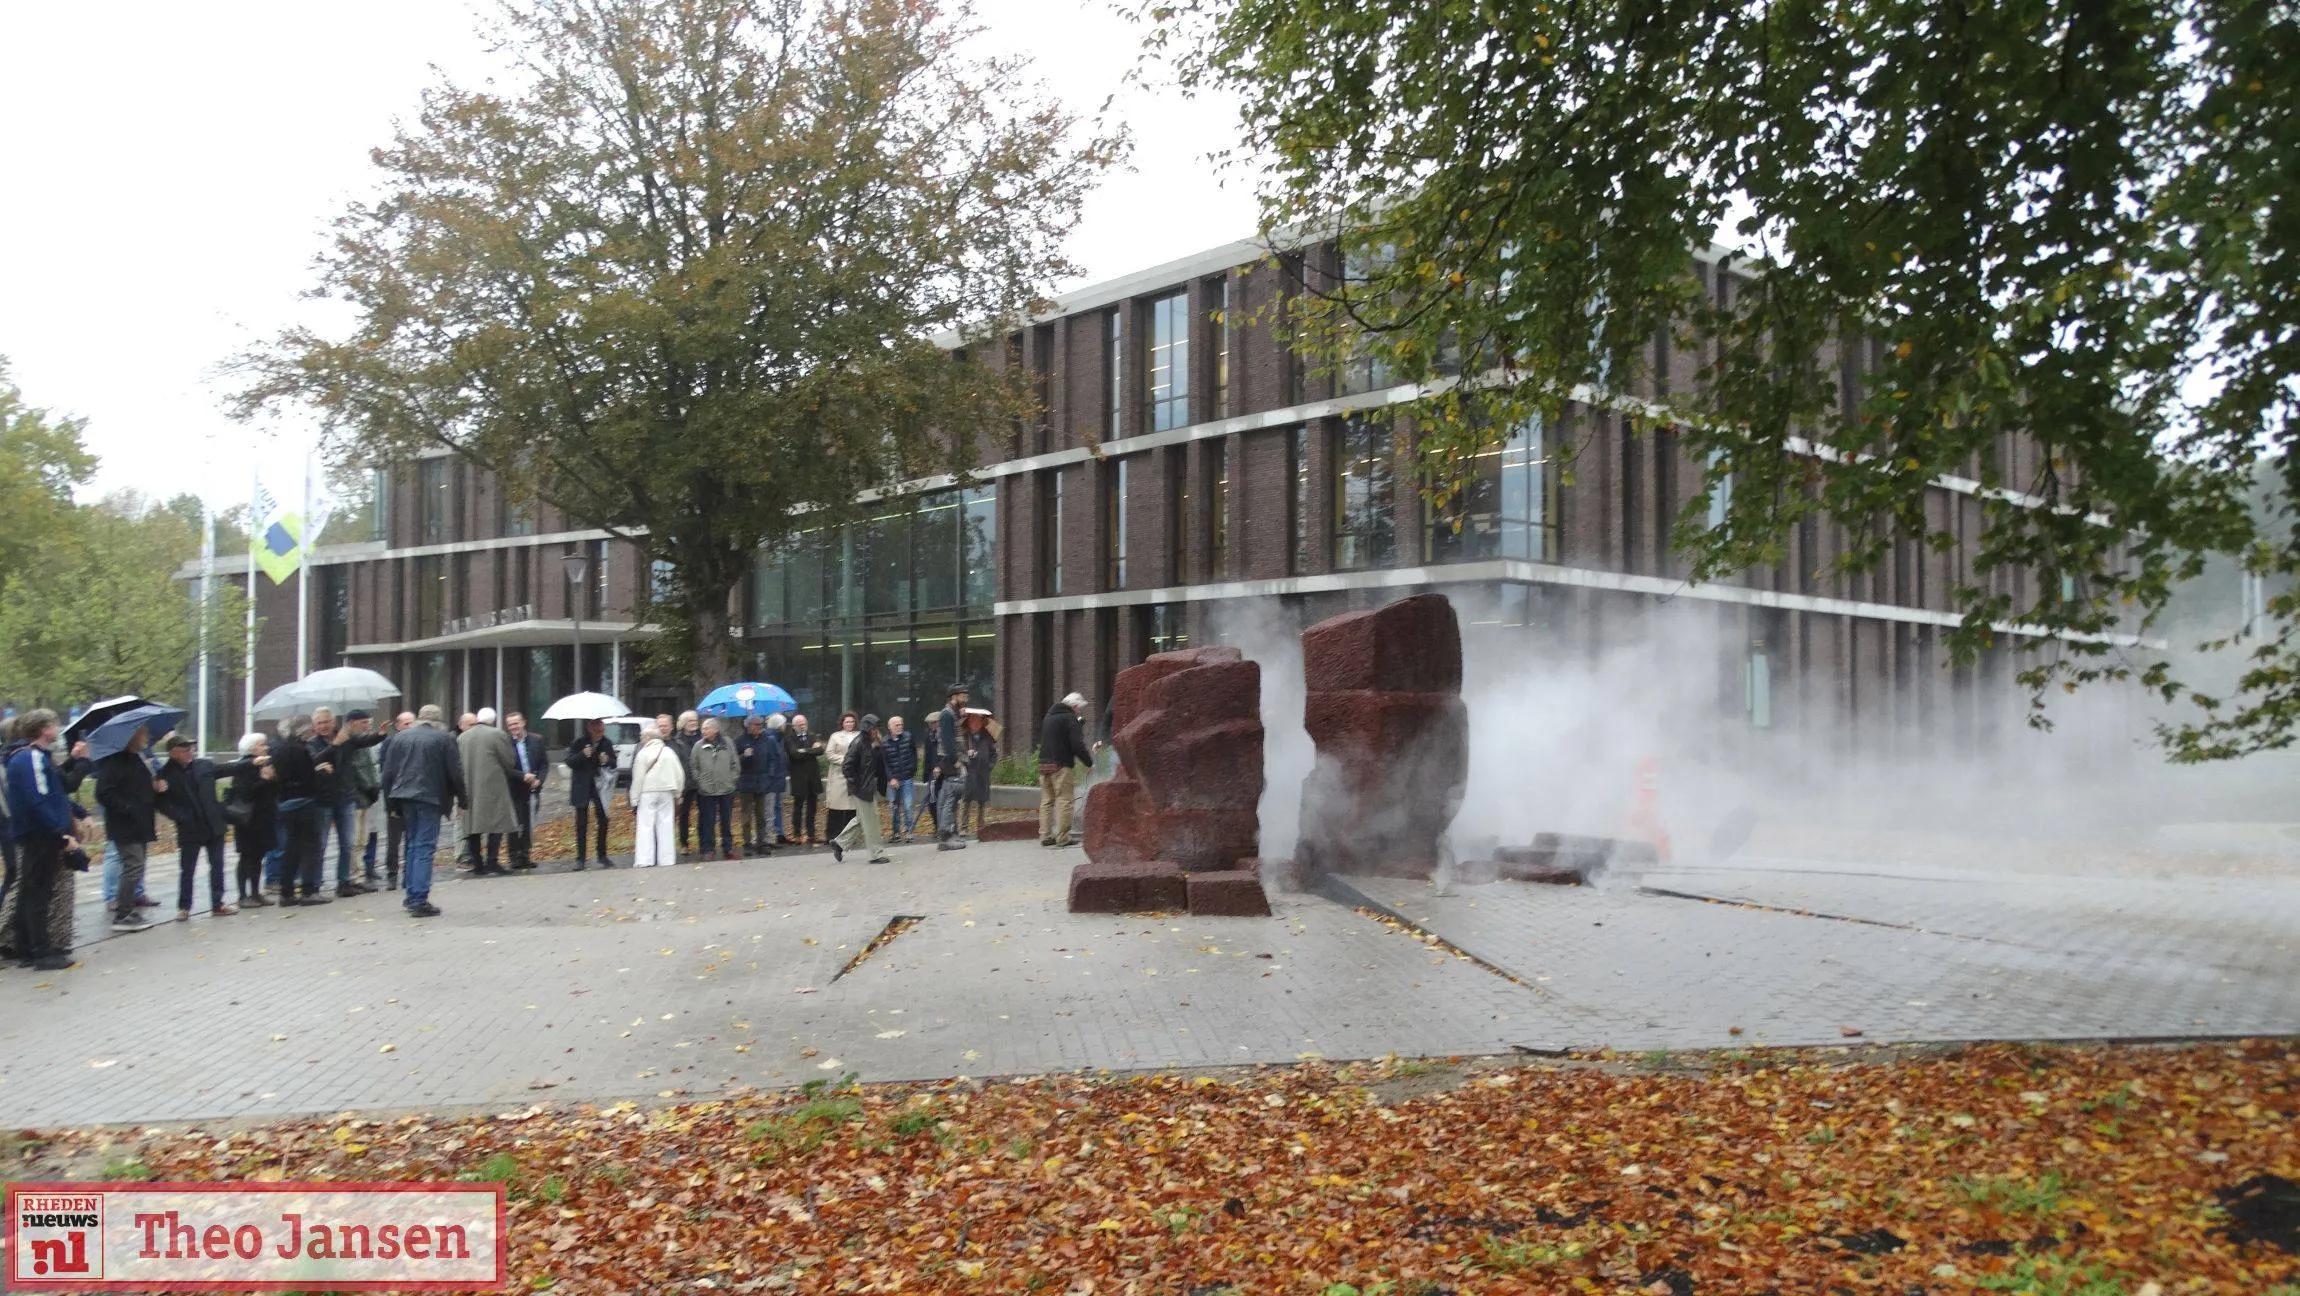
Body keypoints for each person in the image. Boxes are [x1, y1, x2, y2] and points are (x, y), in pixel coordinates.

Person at [4, 711, 82, 969]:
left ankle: (27, 947)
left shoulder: (28, 757)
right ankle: (40, 950)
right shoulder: (32, 757)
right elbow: (39, 798)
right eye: (55, 724)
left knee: (31, 890)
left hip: (35, 832)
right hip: (40, 835)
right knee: (37, 892)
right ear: (43, 728)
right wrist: (58, 833)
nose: (58, 728)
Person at [379, 704, 464, 917]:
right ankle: (419, 899)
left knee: (412, 845)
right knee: (424, 848)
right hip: (430, 797)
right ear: (438, 721)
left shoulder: (399, 738)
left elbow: (388, 773)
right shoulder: (444, 739)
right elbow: (455, 773)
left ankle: (411, 895)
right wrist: (463, 800)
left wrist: (390, 805)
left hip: (404, 797)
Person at [93, 724, 165, 933]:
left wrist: (156, 788)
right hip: (125, 823)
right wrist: (126, 808)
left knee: (137, 865)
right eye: (143, 734)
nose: (146, 737)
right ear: (131, 737)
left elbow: (140, 785)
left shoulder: (138, 758)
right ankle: (122, 913)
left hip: (140, 821)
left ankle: (128, 907)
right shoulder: (114, 761)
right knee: (132, 865)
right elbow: (104, 792)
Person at [157, 733, 234, 920]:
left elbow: (227, 769)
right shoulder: (164, 775)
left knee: (217, 865)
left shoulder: (203, 765)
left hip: (212, 823)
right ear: (173, 753)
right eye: (184, 750)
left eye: (190, 749)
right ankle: (184, 906)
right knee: (188, 869)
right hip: (190, 827)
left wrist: (251, 763)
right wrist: (180, 817)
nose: (189, 753)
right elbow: (161, 803)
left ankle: (218, 903)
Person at [311, 707, 386, 897]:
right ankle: (314, 885)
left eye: (327, 721)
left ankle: (344, 882)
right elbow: (313, 761)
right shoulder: (312, 743)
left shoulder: (346, 737)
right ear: (314, 726)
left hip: (345, 797)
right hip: (324, 799)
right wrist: (334, 745)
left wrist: (380, 734)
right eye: (319, 723)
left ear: (333, 722)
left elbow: (363, 741)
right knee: (320, 843)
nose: (324, 726)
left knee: (347, 843)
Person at [268, 718, 331, 907]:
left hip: (285, 802)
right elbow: (307, 778)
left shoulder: (278, 749)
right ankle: (308, 890)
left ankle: (286, 892)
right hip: (304, 802)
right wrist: (320, 771)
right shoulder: (300, 750)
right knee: (311, 847)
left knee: (291, 848)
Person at [457, 707, 521, 875]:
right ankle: (492, 861)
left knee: (472, 825)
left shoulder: (462, 737)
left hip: (469, 785)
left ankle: (477, 863)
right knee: (497, 822)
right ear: (493, 720)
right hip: (493, 785)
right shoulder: (498, 735)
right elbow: (508, 761)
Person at [220, 732, 277, 907]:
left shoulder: (266, 764)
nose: (266, 747)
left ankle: (255, 892)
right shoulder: (244, 766)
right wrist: (264, 780)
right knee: (246, 856)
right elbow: (245, 792)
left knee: (258, 857)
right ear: (251, 748)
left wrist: (271, 779)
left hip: (263, 817)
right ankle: (243, 895)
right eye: (261, 745)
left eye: (266, 744)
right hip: (247, 819)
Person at [1037, 692, 1100, 848]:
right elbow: (1077, 745)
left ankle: (1045, 836)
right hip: (1061, 766)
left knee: (1047, 802)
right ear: (1075, 706)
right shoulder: (1069, 718)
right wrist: (1089, 763)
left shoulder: (1049, 717)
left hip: (1044, 765)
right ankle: (1063, 838)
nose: (1079, 712)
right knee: (1065, 800)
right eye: (1079, 709)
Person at [829, 715, 892, 864]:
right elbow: (847, 766)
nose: (876, 731)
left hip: (866, 787)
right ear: (868, 728)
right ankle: (876, 854)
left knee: (862, 818)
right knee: (871, 821)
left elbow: (874, 764)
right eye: (874, 728)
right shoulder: (858, 743)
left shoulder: (869, 742)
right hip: (862, 788)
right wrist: (856, 784)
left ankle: (839, 843)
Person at [629, 720, 685, 868]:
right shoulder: (669, 752)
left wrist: (634, 799)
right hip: (667, 791)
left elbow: (638, 778)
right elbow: (679, 773)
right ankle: (667, 859)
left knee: (645, 826)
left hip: (647, 792)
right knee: (666, 825)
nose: (641, 740)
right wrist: (678, 792)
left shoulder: (643, 753)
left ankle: (644, 859)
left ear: (648, 738)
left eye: (642, 738)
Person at [368, 712, 415, 888]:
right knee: (393, 840)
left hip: (413, 798)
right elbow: (386, 773)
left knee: (412, 839)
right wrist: (389, 803)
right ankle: (392, 875)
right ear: (397, 726)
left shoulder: (417, 741)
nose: (409, 727)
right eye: (405, 724)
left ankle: (409, 874)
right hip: (395, 798)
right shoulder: (390, 742)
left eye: (412, 723)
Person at [564, 718, 618, 869]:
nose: (598, 732)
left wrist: (607, 760)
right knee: (581, 822)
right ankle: (580, 858)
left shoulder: (607, 743)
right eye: (595, 729)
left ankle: (602, 855)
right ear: (589, 728)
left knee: (603, 819)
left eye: (601, 728)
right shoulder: (579, 742)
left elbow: (614, 762)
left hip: (600, 787)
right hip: (582, 786)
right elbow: (569, 761)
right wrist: (583, 754)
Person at [734, 715, 785, 855]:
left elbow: (773, 759)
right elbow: (733, 761)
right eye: (755, 725)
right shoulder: (740, 741)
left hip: (762, 782)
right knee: (746, 816)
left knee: (761, 815)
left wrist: (770, 775)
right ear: (748, 726)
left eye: (760, 725)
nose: (758, 728)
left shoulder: (767, 740)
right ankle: (747, 843)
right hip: (746, 783)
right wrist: (744, 756)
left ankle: (762, 842)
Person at [690, 718, 738, 860]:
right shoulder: (698, 746)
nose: (703, 731)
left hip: (726, 789)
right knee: (708, 821)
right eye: (703, 728)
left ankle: (727, 848)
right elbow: (694, 766)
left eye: (707, 728)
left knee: (726, 820)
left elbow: (735, 763)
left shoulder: (728, 743)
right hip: (706, 791)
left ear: (716, 730)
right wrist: (700, 782)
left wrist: (732, 779)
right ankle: (708, 849)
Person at [505, 712, 547, 869]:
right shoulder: (505, 743)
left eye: (516, 723)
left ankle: (525, 855)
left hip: (533, 789)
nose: (513, 727)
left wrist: (539, 780)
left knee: (529, 822)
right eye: (510, 725)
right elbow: (505, 767)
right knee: (514, 824)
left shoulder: (537, 740)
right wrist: (522, 776)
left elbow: (544, 764)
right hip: (514, 788)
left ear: (523, 723)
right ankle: (513, 857)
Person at [931, 686, 969, 851]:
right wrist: (956, 760)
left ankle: (950, 832)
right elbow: (947, 740)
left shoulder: (953, 713)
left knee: (950, 798)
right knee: (950, 798)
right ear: (954, 696)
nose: (966, 697)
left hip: (952, 760)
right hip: (951, 761)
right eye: (963, 695)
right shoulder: (947, 714)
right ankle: (946, 836)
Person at [782, 714, 825, 845]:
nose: (802, 725)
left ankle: (811, 834)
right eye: (799, 724)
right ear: (794, 726)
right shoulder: (789, 738)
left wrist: (804, 750)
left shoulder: (812, 736)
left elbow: (820, 751)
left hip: (813, 777)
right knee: (798, 806)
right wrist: (811, 750)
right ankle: (797, 834)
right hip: (799, 777)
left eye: (804, 723)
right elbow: (794, 754)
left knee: (813, 806)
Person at [822, 712, 860, 844]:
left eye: (852, 721)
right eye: (847, 722)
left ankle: (848, 838)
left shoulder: (859, 736)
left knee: (852, 808)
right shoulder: (835, 736)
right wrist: (846, 760)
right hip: (839, 776)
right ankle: (832, 835)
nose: (849, 724)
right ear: (842, 723)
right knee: (836, 808)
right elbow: (829, 754)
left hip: (854, 776)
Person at [881, 716, 919, 844]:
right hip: (893, 781)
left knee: (908, 806)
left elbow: (914, 754)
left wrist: (912, 769)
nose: (899, 727)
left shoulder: (908, 737)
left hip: (907, 778)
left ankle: (909, 832)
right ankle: (896, 832)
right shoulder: (884, 742)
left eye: (901, 724)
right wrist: (891, 778)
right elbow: (884, 763)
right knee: (894, 808)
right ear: (889, 726)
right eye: (896, 725)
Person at [671, 711, 703, 858]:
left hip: (702, 781)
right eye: (690, 721)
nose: (694, 723)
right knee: (684, 815)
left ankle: (705, 842)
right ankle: (684, 844)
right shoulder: (677, 740)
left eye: (695, 720)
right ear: (683, 723)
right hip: (685, 782)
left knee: (705, 813)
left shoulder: (703, 737)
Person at [961, 710, 998, 837]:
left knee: (982, 799)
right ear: (969, 722)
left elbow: (994, 754)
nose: (975, 723)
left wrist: (989, 766)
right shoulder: (965, 737)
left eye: (978, 720)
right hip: (970, 772)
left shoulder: (987, 737)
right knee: (967, 799)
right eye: (972, 720)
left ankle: (980, 826)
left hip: (983, 772)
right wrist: (967, 754)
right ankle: (964, 827)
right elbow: (959, 753)